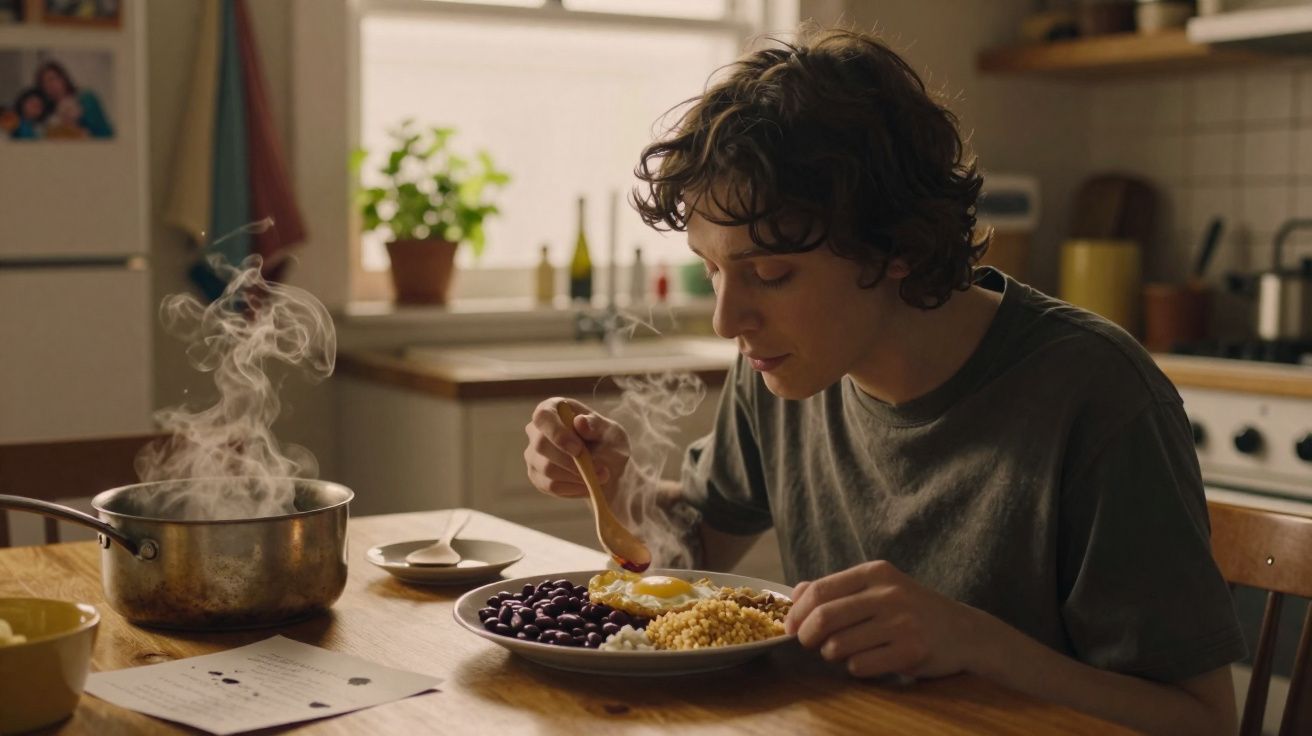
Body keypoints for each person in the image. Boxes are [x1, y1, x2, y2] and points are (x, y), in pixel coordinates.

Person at [522, 27, 1244, 736]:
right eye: (712, 269)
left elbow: (1202, 721)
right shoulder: (781, 369)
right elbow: (691, 551)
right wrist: (614, 485)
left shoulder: (1097, 395)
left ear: (894, 246)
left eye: (769, 274)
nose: (726, 319)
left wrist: (974, 644)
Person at [36, 60, 113, 138]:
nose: (49, 85)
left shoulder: (86, 98)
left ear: (63, 78)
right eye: (44, 83)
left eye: (52, 79)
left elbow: (102, 132)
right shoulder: (49, 112)